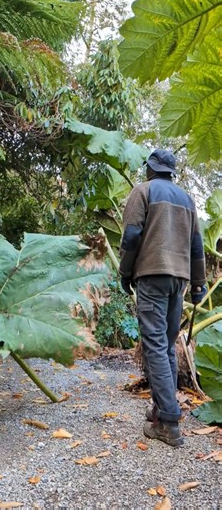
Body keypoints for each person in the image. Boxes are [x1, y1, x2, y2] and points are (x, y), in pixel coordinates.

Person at [119, 149, 207, 447]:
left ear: (150, 169)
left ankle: (169, 421)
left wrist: (124, 272)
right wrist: (198, 285)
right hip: (178, 280)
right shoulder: (187, 199)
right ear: (171, 172)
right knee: (166, 344)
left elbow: (131, 236)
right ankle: (160, 410)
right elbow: (197, 246)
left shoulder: (142, 191)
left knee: (155, 344)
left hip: (152, 276)